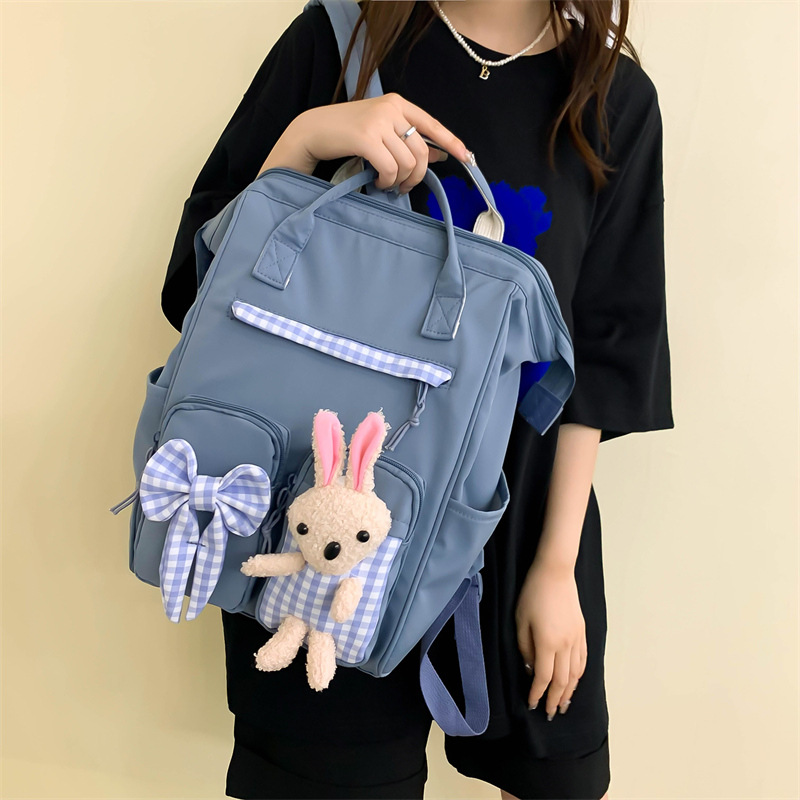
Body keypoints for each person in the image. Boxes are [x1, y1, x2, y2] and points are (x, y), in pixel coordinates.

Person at [160, 1, 674, 798]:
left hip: (521, 520)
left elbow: (604, 352)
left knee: (557, 775)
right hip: (329, 512)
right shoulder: (343, 37)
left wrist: (557, 566)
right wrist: (307, 140)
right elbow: (206, 283)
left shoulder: (610, 97)